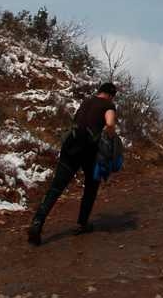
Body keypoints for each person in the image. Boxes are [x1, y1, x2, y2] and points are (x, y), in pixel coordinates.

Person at [28, 82, 117, 245]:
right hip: (89, 150)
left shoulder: (86, 102)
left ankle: (37, 222)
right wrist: (110, 136)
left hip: (71, 146)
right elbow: (110, 123)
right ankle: (82, 223)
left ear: (99, 91)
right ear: (111, 95)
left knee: (56, 188)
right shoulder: (108, 105)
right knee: (91, 186)